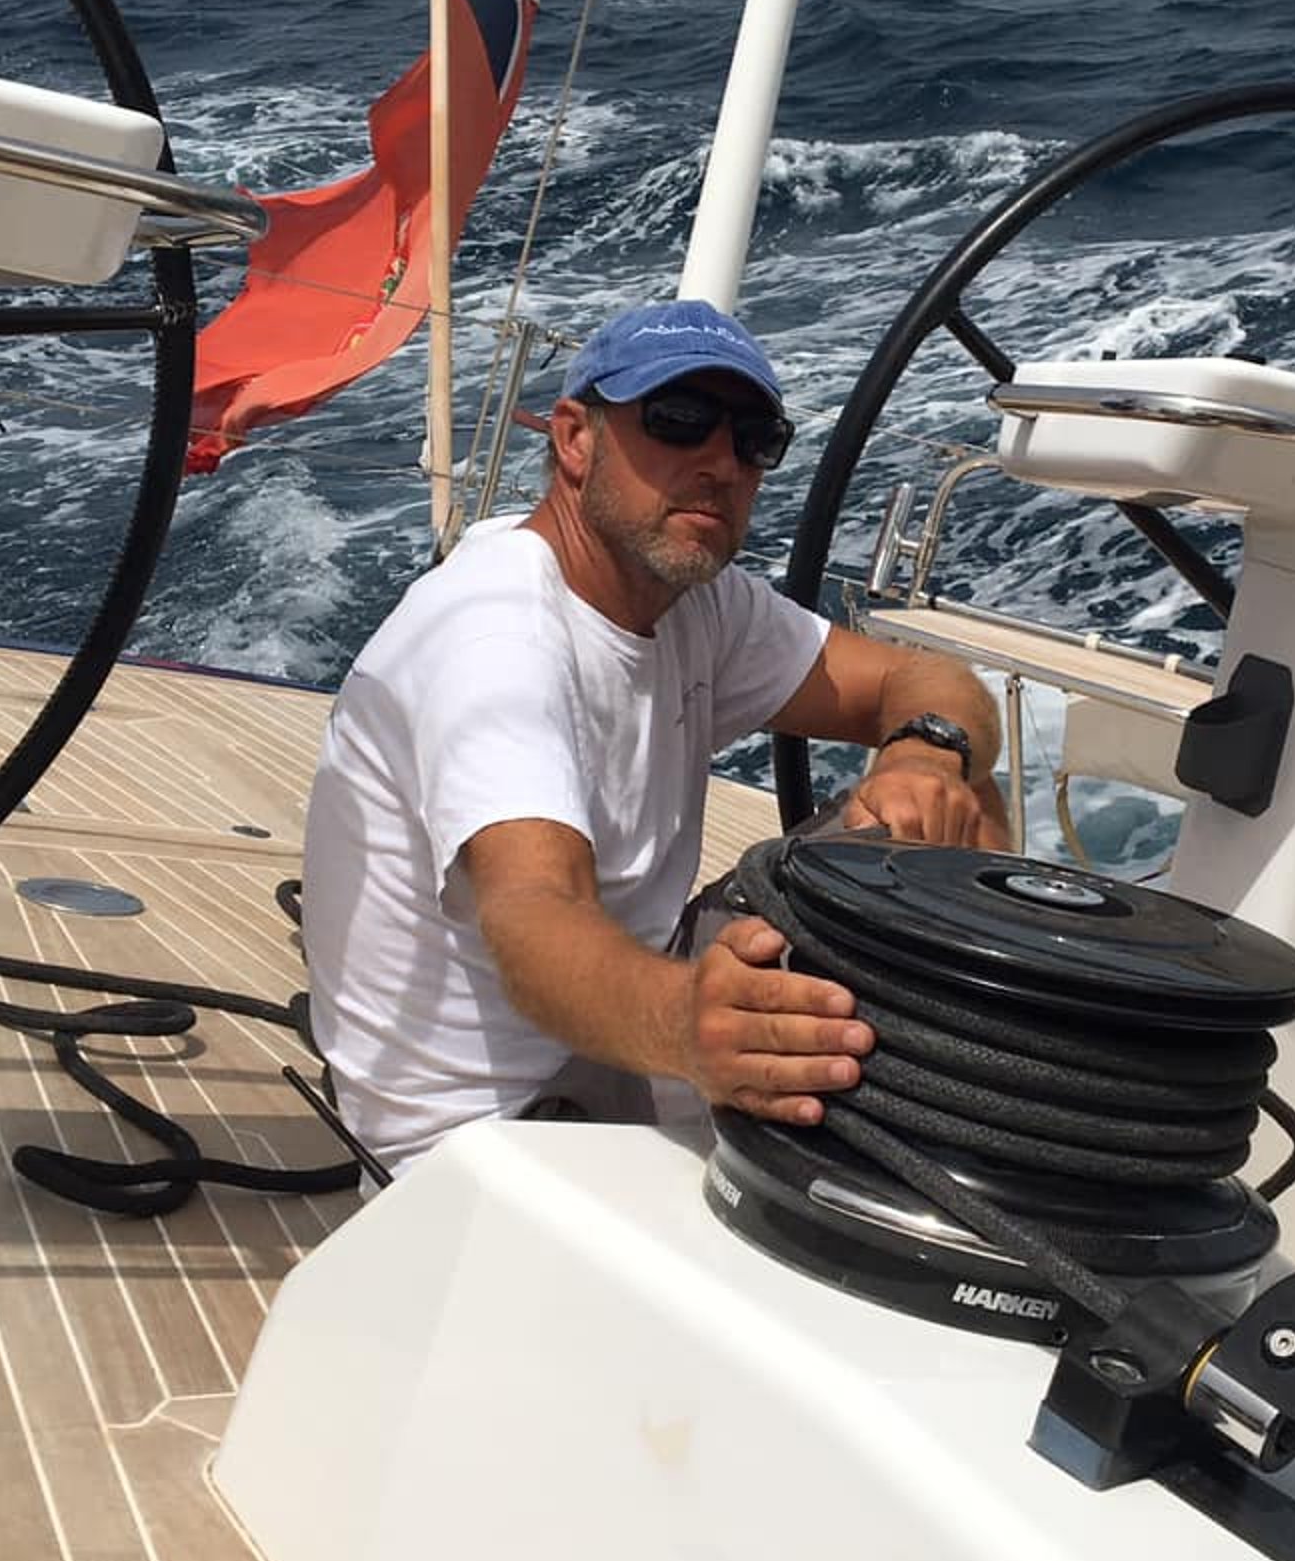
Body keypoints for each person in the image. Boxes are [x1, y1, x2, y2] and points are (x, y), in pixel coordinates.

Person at [301, 297, 1007, 1175]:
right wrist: (691, 1027)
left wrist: (925, 750)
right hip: (470, 1134)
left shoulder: (696, 599)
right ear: (574, 439)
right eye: (677, 421)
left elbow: (930, 683)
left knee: (961, 794)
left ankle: (989, 1109)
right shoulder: (495, 637)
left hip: (617, 1036)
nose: (718, 461)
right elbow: (536, 919)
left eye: (754, 439)